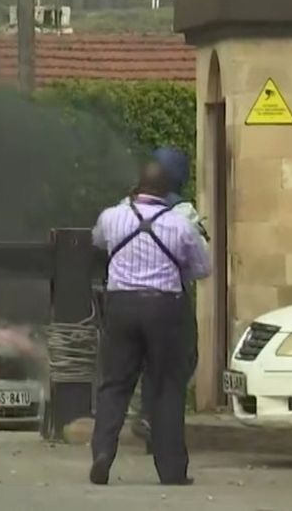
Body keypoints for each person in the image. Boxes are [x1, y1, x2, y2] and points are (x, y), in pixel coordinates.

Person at [90, 152, 212, 487]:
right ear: (168, 190)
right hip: (165, 308)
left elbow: (98, 242)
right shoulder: (181, 224)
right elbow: (203, 268)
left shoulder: (112, 217)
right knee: (166, 387)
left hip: (120, 307)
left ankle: (102, 452)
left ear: (138, 186)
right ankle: (171, 469)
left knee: (114, 384)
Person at [128, 148, 209, 453]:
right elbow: (201, 262)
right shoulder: (183, 212)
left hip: (126, 298)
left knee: (144, 363)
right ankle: (157, 424)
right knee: (180, 362)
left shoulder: (126, 208)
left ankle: (147, 420)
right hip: (171, 300)